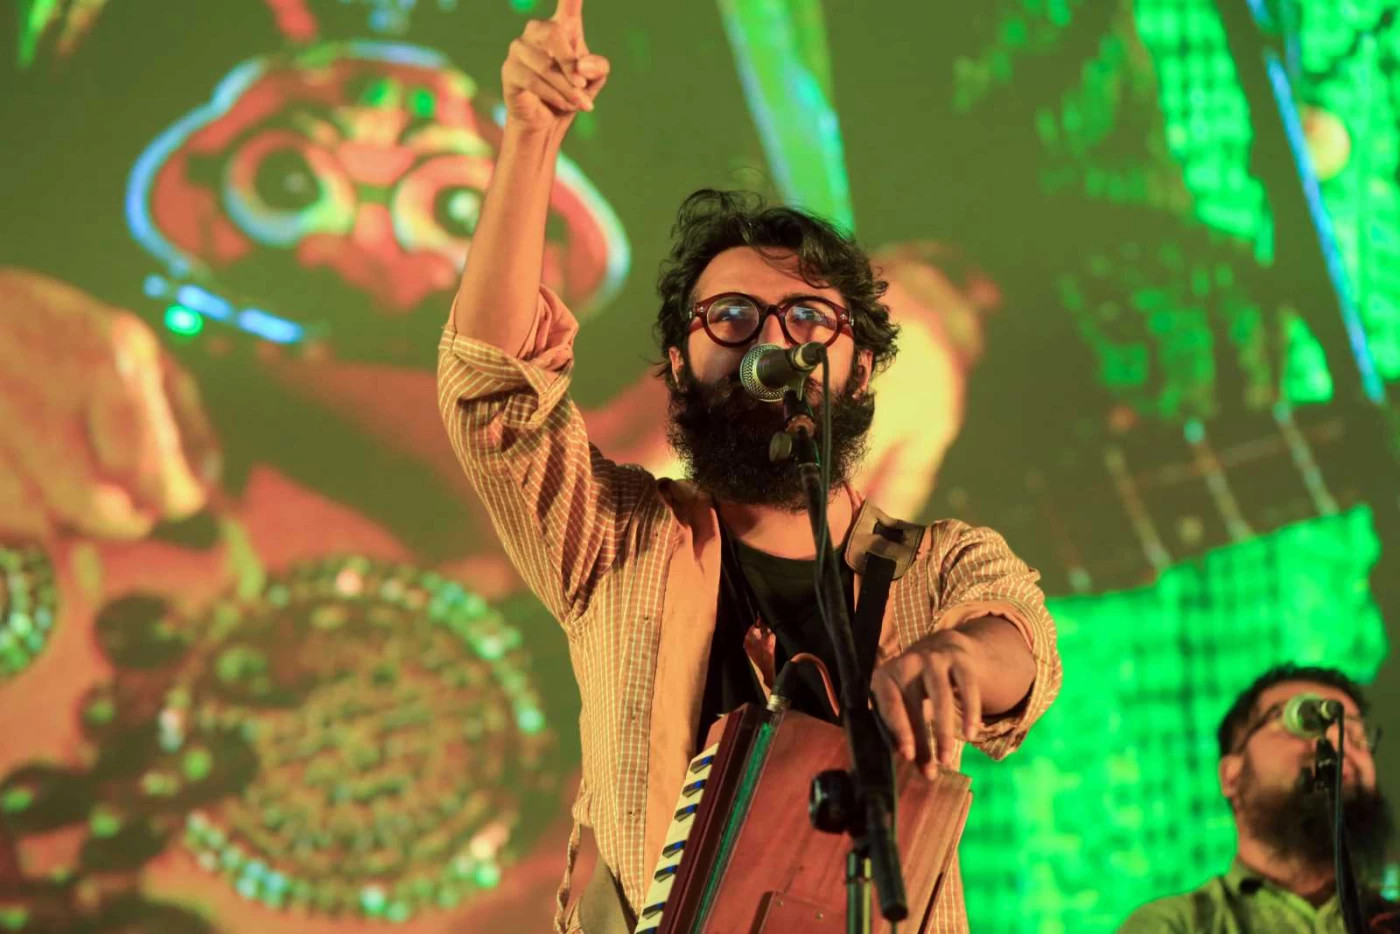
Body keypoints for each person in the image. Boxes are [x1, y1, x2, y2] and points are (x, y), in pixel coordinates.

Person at [436, 1, 1063, 930]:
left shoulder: (934, 562)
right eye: (731, 318)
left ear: (862, 367)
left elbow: (1023, 646)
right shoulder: (617, 542)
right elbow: (495, 392)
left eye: (808, 320)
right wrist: (530, 136)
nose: (773, 344)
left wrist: (960, 657)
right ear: (678, 364)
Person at [1119, 663, 1399, 933]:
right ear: (1231, 776)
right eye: (1303, 720)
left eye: (1355, 734)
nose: (1337, 742)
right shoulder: (1172, 925)